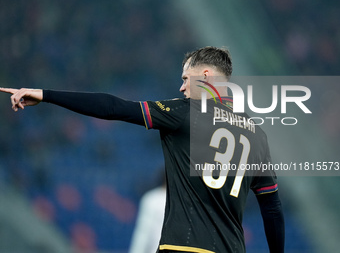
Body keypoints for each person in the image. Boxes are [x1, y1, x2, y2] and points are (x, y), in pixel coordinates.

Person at [0, 46, 284, 253]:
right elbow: (271, 207)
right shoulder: (257, 134)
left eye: (186, 79)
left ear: (206, 75)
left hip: (183, 247)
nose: (183, 88)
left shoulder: (184, 112)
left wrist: (46, 95)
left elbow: (113, 108)